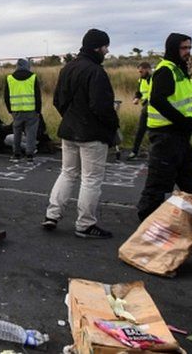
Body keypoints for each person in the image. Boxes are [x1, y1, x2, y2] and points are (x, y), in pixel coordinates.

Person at [43, 29, 119, 239]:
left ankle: (52, 214)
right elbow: (101, 107)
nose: (107, 50)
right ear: (97, 47)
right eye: (105, 46)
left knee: (67, 172)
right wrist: (113, 126)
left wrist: (69, 117)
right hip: (92, 134)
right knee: (91, 179)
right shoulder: (96, 72)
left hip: (69, 130)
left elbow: (58, 100)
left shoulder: (68, 68)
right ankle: (85, 224)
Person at [135, 33, 192, 221]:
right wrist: (182, 120)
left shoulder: (180, 70)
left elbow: (189, 96)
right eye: (184, 48)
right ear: (173, 48)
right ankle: (146, 221)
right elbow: (157, 100)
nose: (188, 52)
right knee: (158, 182)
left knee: (189, 178)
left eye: (190, 48)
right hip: (166, 135)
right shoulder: (166, 70)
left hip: (181, 135)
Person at [4, 58, 42, 162]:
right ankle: (29, 154)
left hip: (16, 111)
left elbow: (6, 96)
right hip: (31, 110)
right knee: (31, 133)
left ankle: (16, 153)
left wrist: (10, 110)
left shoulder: (10, 78)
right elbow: (37, 96)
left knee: (17, 132)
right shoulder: (33, 77)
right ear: (27, 66)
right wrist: (38, 110)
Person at [126, 62, 152, 159]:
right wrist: (136, 98)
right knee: (141, 129)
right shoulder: (141, 80)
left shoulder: (154, 78)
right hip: (145, 106)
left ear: (148, 69)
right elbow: (139, 92)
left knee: (154, 131)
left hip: (154, 108)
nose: (140, 73)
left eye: (141, 71)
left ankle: (153, 152)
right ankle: (134, 152)